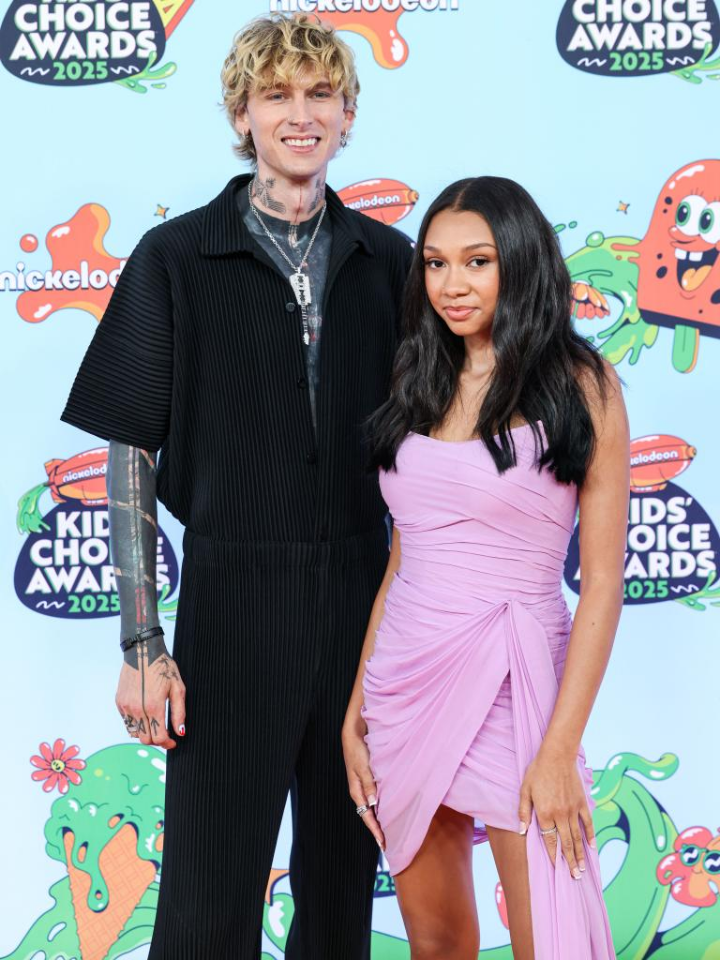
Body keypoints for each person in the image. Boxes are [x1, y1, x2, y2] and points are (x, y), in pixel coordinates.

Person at [60, 14, 412, 959]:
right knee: (211, 900)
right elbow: (129, 452)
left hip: (364, 597)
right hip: (229, 600)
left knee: (343, 889)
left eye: (319, 95)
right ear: (242, 113)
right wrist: (143, 642)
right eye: (276, 95)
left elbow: (441, 448)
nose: (300, 115)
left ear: (346, 113)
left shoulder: (392, 262)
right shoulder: (174, 260)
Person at [342, 177, 629, 959]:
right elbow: (403, 558)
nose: (452, 284)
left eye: (477, 261)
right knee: (436, 942)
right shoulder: (418, 378)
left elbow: (603, 581)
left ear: (523, 264)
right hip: (405, 684)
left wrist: (561, 750)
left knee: (551, 938)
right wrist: (358, 706)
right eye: (435, 264)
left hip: (518, 684)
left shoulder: (582, 384)